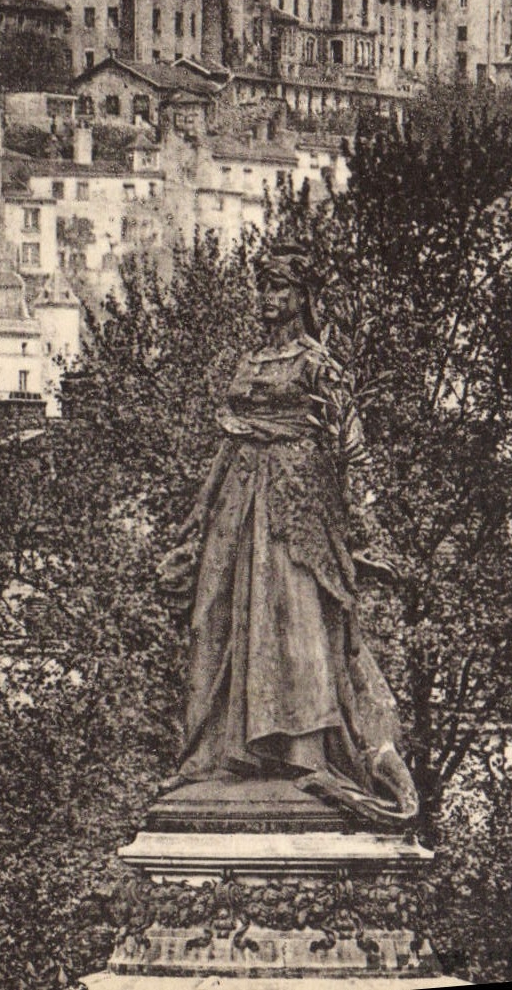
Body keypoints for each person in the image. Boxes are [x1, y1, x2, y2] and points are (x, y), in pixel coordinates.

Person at [156, 242, 419, 829]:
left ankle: (303, 752)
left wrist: (359, 530)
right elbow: (227, 444)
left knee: (295, 621)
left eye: (281, 289)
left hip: (298, 505)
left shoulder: (318, 365)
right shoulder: (248, 363)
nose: (270, 300)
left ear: (302, 297)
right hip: (237, 502)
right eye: (264, 288)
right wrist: (194, 524)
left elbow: (351, 450)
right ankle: (217, 754)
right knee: (215, 618)